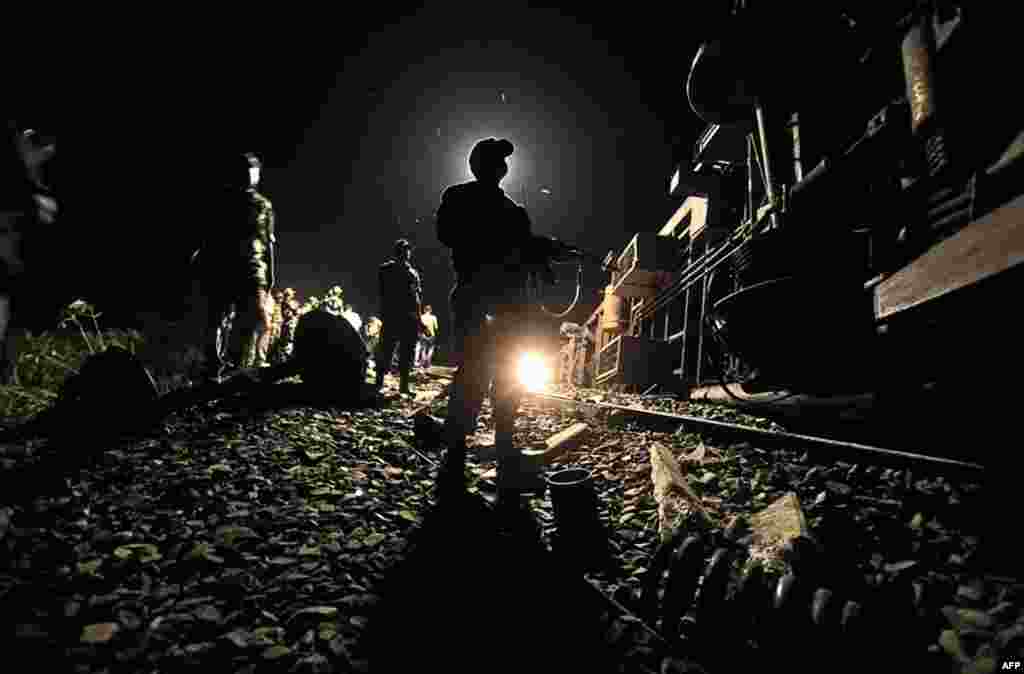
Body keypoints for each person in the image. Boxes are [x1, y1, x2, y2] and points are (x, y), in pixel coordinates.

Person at [435, 137, 553, 496]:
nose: (501, 166)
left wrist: (542, 254)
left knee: (486, 370)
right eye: (498, 160)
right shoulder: (503, 210)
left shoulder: (471, 200)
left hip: (489, 300)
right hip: (492, 299)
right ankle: (478, 446)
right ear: (488, 166)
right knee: (487, 370)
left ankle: (469, 447)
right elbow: (450, 235)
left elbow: (529, 257)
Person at [193, 152, 276, 381]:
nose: (251, 175)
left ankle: (231, 370)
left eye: (253, 170)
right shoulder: (224, 202)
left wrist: (270, 276)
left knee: (243, 322)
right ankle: (217, 368)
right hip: (229, 269)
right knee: (219, 320)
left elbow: (268, 243)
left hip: (248, 271)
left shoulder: (262, 205)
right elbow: (208, 237)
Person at [374, 239, 422, 396]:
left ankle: (403, 386)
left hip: (408, 318)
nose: (406, 252)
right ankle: (379, 382)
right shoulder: (387, 269)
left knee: (407, 352)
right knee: (386, 349)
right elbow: (383, 293)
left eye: (407, 250)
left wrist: (419, 319)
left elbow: (416, 298)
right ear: (397, 252)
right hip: (393, 316)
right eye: (403, 249)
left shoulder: (412, 272)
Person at [416, 304, 439, 370]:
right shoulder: (434, 317)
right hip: (432, 335)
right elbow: (436, 327)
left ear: (424, 310)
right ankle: (428, 363)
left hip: (423, 335)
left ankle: (423, 363)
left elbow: (420, 326)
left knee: (423, 349)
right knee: (431, 349)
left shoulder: (422, 317)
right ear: (430, 310)